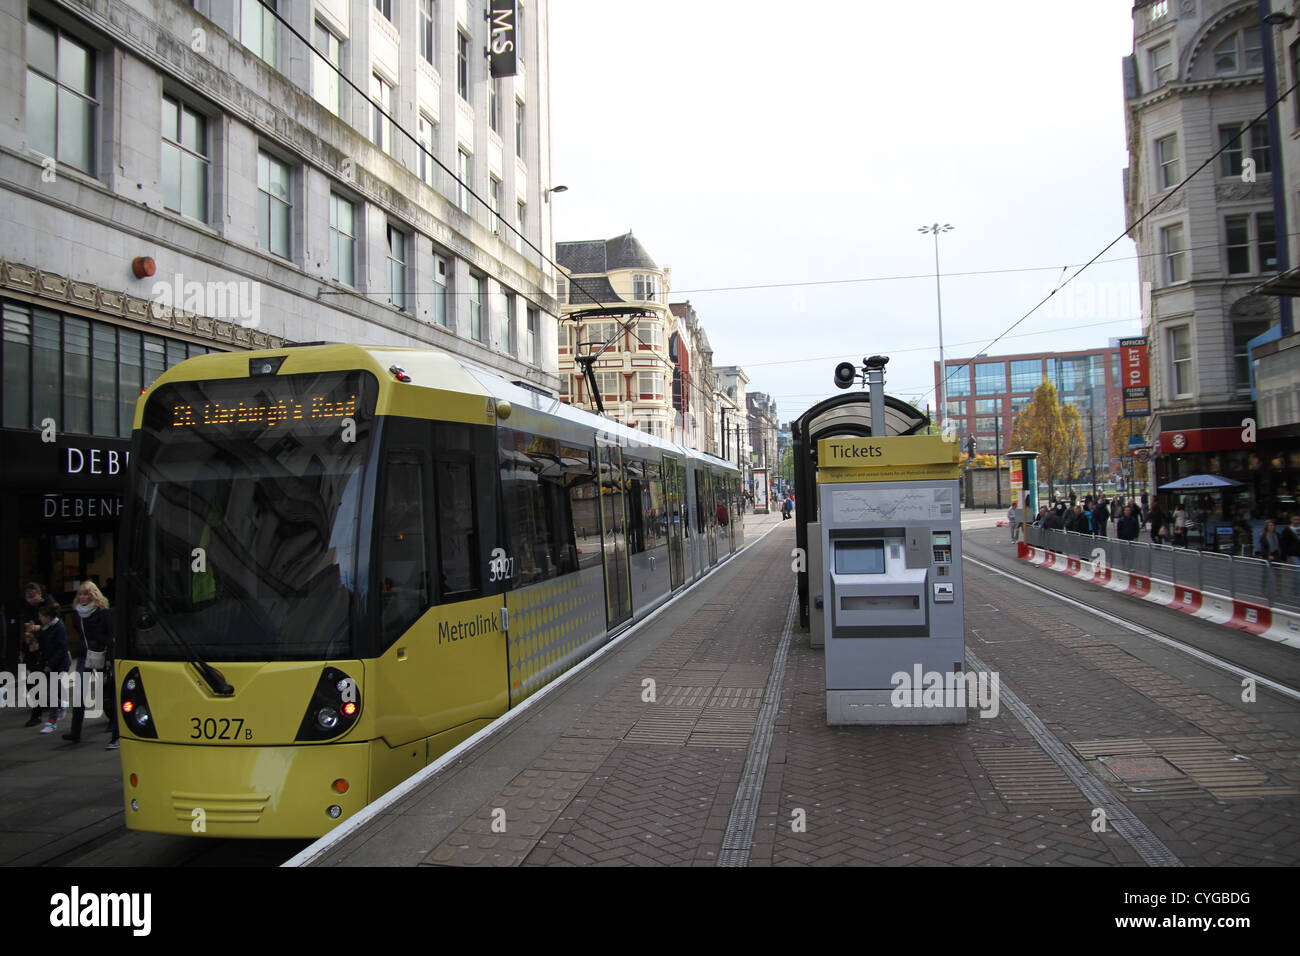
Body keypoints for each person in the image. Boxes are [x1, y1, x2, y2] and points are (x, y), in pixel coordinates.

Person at [65, 581, 117, 748]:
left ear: (94, 595)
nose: (83, 597)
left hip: (101, 655)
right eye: (80, 594)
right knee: (80, 694)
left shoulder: (103, 613)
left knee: (108, 694)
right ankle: (75, 731)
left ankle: (116, 732)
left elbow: (111, 636)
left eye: (86, 594)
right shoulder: (79, 614)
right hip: (85, 656)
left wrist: (109, 656)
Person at [31, 600, 71, 734]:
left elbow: (62, 649)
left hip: (59, 664)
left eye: (41, 617)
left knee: (52, 691)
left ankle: (52, 722)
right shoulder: (45, 627)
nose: (39, 619)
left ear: (48, 617)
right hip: (49, 663)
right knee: (47, 691)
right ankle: (60, 704)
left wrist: (50, 664)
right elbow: (43, 645)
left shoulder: (59, 627)